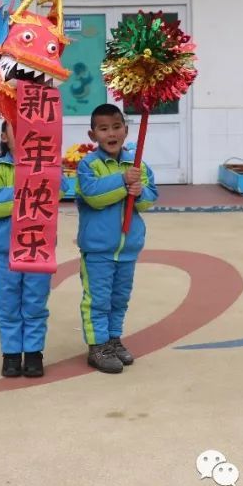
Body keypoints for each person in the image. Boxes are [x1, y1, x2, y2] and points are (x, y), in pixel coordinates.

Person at [0, 120, 70, 379]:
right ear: (4, 136)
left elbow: (60, 190)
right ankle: (10, 354)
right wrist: (28, 189)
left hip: (38, 247)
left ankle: (33, 353)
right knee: (7, 304)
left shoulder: (48, 166)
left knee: (35, 303)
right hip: (4, 251)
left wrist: (40, 176)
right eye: (17, 129)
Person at [75, 104, 158, 374]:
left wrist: (139, 191)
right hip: (98, 249)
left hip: (128, 248)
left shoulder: (137, 163)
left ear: (126, 129)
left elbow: (148, 202)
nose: (111, 133)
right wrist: (123, 183)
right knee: (97, 299)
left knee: (119, 298)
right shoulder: (88, 165)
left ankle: (113, 339)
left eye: (116, 126)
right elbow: (94, 196)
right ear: (93, 134)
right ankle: (97, 346)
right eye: (103, 128)